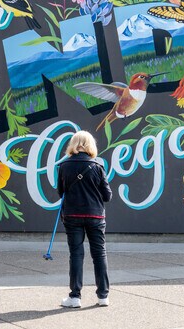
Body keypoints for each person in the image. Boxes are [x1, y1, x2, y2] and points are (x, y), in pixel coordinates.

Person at [57, 130, 112, 308]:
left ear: (73, 144)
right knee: (99, 254)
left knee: (76, 255)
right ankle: (103, 296)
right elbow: (107, 195)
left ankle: (75, 297)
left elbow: (60, 192)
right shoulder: (97, 166)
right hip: (95, 215)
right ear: (91, 145)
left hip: (72, 215)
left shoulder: (64, 166)